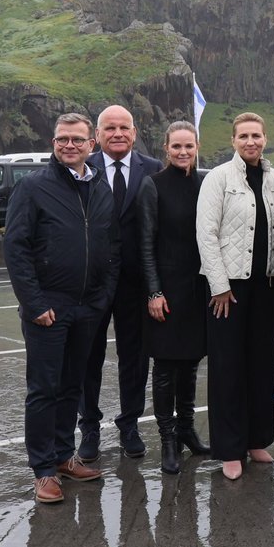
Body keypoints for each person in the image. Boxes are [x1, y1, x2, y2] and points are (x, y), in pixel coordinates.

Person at [4, 113, 120, 503]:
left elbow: (112, 246)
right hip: (47, 310)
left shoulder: (100, 187)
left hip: (88, 308)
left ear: (92, 145)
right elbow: (16, 249)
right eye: (62, 139)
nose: (69, 145)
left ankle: (63, 456)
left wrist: (103, 297)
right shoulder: (33, 187)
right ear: (53, 143)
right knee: (43, 390)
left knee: (72, 385)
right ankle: (43, 470)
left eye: (77, 140)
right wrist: (34, 303)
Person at [196, 112, 274, 480]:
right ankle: (229, 449)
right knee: (228, 367)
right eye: (244, 136)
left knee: (261, 364)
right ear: (234, 141)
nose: (250, 141)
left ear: (264, 138)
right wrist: (219, 285)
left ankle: (256, 440)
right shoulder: (218, 178)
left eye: (256, 135)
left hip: (266, 285)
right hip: (229, 289)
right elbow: (206, 234)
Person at [77, 105, 163, 462]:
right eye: (109, 128)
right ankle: (89, 428)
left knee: (135, 358)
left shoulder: (154, 169)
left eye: (124, 128)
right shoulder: (82, 168)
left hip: (135, 282)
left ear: (134, 132)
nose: (117, 134)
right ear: (97, 135)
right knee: (88, 357)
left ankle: (129, 424)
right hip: (92, 282)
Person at [137, 120, 210, 476]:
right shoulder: (153, 185)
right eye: (176, 146)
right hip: (165, 290)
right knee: (165, 367)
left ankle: (186, 430)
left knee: (191, 363)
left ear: (197, 147)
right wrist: (154, 291)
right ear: (166, 148)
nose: (183, 152)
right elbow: (145, 243)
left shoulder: (206, 183)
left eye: (189, 146)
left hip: (198, 289)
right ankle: (167, 439)